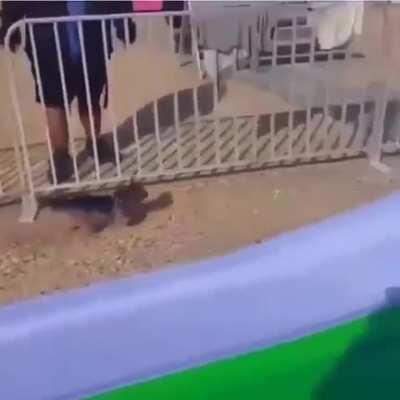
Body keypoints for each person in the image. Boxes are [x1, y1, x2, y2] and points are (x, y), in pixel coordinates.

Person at [0, 1, 136, 183]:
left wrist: (124, 22)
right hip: (48, 36)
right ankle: (60, 156)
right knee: (54, 99)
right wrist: (10, 24)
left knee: (91, 93)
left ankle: (95, 143)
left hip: (92, 32)